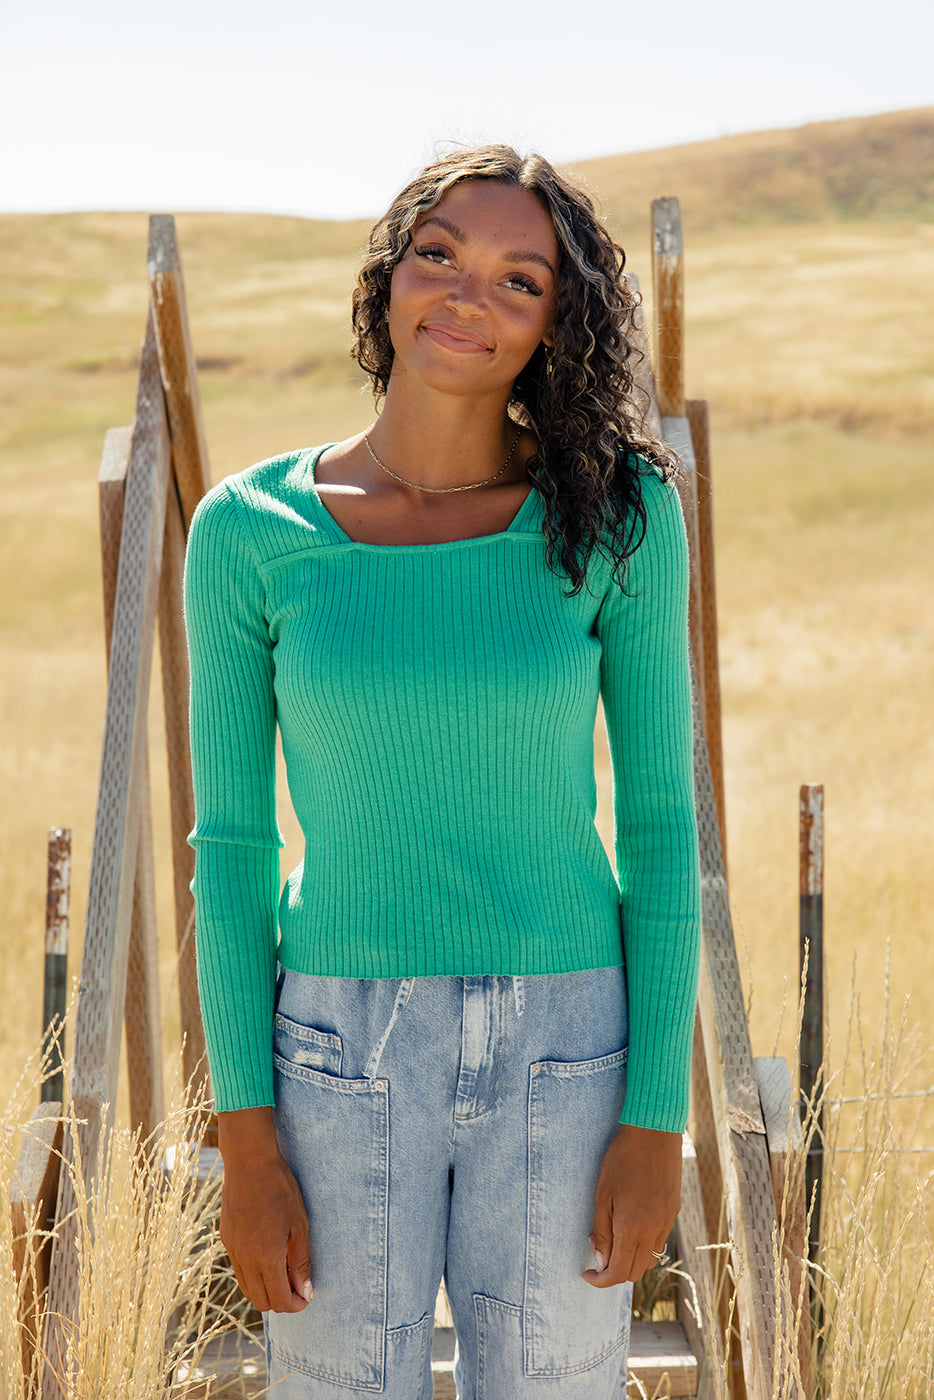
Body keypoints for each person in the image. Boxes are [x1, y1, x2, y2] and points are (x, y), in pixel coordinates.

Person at [183, 144, 701, 1400]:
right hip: (334, 1051)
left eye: (518, 281)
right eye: (441, 257)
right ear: (390, 275)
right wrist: (246, 1145)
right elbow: (235, 851)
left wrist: (655, 1117)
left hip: (571, 1047)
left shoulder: (618, 513)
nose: (467, 298)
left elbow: (661, 823)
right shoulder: (249, 532)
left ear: (552, 328)